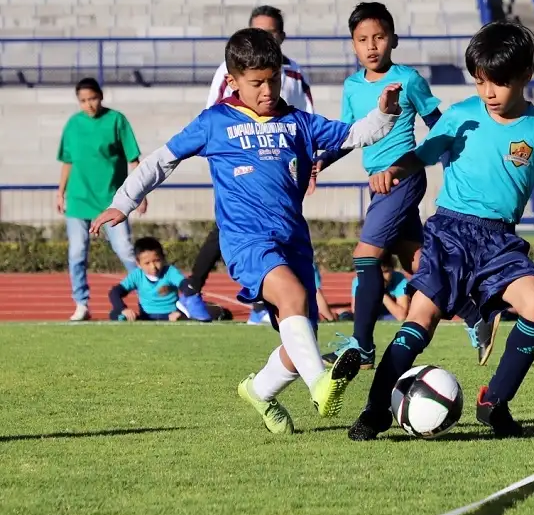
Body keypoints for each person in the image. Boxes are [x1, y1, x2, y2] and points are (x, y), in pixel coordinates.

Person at [90, 28, 402, 435]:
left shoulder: (297, 122)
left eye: (274, 79)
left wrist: (385, 112)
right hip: (246, 241)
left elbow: (357, 134)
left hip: (293, 241)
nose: (267, 89)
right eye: (256, 83)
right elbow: (161, 161)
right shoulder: (215, 121)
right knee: (292, 298)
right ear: (233, 81)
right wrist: (123, 201)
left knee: (297, 341)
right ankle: (321, 385)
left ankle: (259, 391)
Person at [346, 20, 534, 441]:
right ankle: (377, 409)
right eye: (480, 82)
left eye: (499, 83)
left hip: (500, 239)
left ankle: (494, 402)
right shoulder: (460, 116)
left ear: (526, 75)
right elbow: (420, 156)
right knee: (421, 318)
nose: (488, 92)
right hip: (450, 231)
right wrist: (393, 170)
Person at [312, 2, 443, 369]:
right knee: (417, 260)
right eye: (362, 39)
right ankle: (479, 310)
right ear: (353, 45)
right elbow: (350, 136)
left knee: (365, 257)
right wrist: (321, 160)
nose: (372, 46)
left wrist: (453, 166)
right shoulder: (352, 86)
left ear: (394, 40)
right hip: (378, 185)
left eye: (379, 37)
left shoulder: (409, 80)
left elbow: (440, 126)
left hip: (401, 177)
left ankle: (362, 347)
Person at [192, 5, 315, 326]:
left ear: (282, 37)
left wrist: (310, 163)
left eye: (271, 33)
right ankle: (195, 286)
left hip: (281, 173)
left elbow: (304, 122)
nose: (266, 89)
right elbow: (214, 117)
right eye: (259, 30)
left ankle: (269, 306)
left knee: (285, 240)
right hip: (241, 167)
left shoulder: (294, 72)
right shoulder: (229, 70)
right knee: (238, 230)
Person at [56, 77, 146, 322]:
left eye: (93, 98)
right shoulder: (73, 124)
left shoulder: (117, 120)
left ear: (101, 96)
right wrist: (60, 191)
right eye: (83, 101)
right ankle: (81, 303)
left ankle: (146, 299)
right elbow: (68, 161)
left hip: (112, 202)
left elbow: (134, 159)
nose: (89, 105)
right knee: (76, 254)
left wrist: (140, 194)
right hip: (78, 201)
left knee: (126, 251)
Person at [108, 237, 210, 321]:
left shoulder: (170, 272)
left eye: (157, 261)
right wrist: (123, 309)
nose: (153, 267)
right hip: (146, 317)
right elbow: (114, 292)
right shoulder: (137, 275)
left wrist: (180, 312)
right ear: (138, 264)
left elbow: (185, 286)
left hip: (171, 316)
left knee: (191, 303)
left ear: (163, 258)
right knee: (116, 314)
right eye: (147, 263)